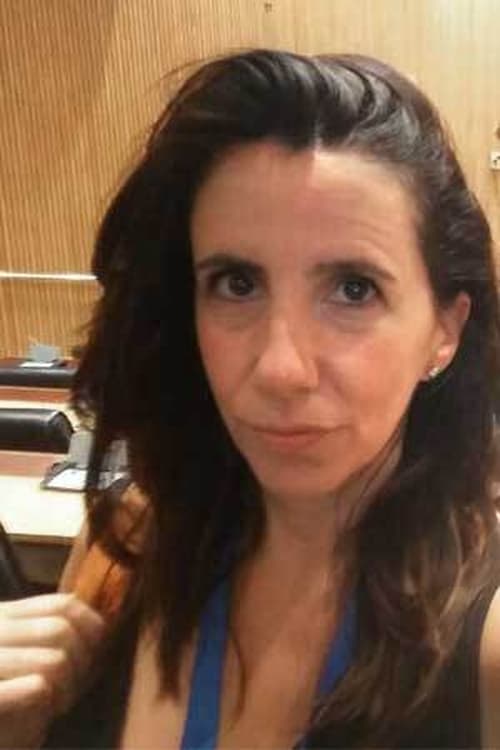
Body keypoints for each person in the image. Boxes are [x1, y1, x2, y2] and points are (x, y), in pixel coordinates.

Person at [1, 48, 500, 749]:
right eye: (236, 284)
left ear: (444, 330)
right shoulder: (130, 548)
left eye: (353, 289)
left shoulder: (485, 649)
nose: (280, 369)